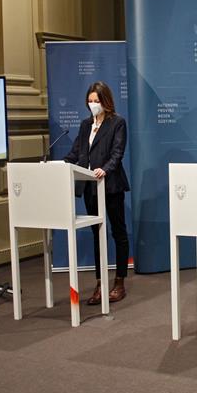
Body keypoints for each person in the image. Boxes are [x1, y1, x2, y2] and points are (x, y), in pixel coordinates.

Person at [63, 81, 130, 304]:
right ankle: (100, 282)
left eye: (96, 101)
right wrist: (60, 165)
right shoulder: (84, 125)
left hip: (110, 186)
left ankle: (119, 281)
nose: (93, 105)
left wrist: (106, 169)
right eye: (90, 101)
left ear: (106, 101)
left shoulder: (117, 123)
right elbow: (76, 153)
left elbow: (117, 152)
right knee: (97, 234)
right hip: (90, 187)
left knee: (118, 232)